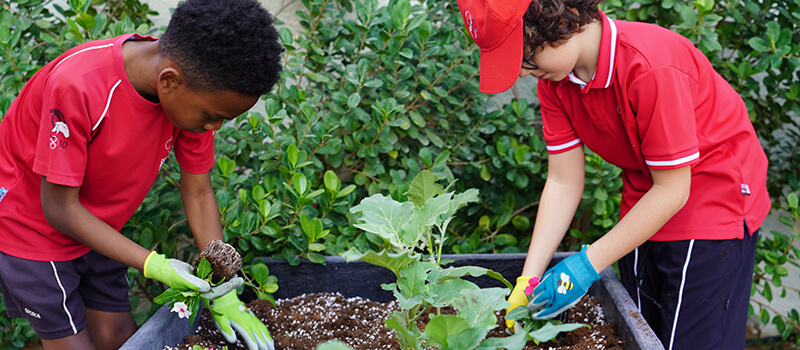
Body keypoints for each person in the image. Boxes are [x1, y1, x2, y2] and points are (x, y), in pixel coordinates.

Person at [456, 0, 770, 348]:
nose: (522, 73)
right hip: (645, 196)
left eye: (526, 56)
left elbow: (673, 190)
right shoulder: (556, 83)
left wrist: (585, 266)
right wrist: (527, 279)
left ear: (562, 22)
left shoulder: (650, 65)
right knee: (643, 335)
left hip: (714, 199)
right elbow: (563, 180)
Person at [0, 0, 283, 349]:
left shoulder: (194, 94)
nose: (215, 127)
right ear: (169, 81)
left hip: (98, 226)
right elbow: (59, 208)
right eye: (212, 117)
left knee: (119, 337)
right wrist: (155, 265)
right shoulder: (80, 86)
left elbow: (198, 192)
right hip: (33, 231)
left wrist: (223, 286)